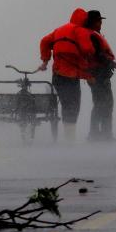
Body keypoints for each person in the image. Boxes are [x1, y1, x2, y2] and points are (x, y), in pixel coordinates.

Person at [39, 8, 95, 141]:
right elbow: (87, 49)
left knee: (66, 104)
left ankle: (68, 137)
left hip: (57, 75)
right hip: (71, 76)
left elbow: (44, 41)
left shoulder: (59, 30)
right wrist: (90, 73)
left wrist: (45, 61)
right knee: (73, 105)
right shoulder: (80, 31)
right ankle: (70, 140)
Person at [84, 10, 116, 141]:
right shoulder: (92, 36)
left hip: (96, 74)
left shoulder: (91, 35)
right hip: (99, 74)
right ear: (92, 22)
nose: (101, 23)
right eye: (99, 21)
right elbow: (98, 54)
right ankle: (102, 135)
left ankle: (98, 134)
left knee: (100, 103)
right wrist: (111, 63)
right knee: (105, 103)